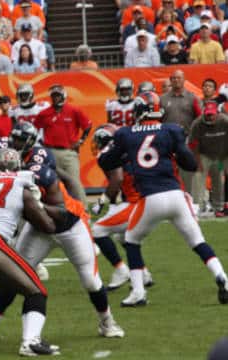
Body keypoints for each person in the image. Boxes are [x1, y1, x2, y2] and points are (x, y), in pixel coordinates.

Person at [98, 91, 228, 306]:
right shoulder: (171, 130)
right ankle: (222, 277)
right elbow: (189, 164)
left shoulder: (126, 134)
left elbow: (108, 162)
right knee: (197, 241)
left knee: (131, 240)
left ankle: (138, 292)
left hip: (150, 198)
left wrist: (122, 153)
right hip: (176, 195)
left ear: (138, 111)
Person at [0, 148, 59, 356]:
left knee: (13, 286)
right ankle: (30, 342)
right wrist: (50, 214)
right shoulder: (21, 180)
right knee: (36, 291)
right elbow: (44, 223)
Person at [90, 124, 154, 290]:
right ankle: (144, 273)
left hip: (137, 203)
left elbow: (117, 179)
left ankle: (121, 269)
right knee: (123, 236)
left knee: (97, 230)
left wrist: (101, 201)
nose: (95, 144)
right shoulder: (129, 148)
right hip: (146, 199)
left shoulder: (108, 154)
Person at [35, 84, 91, 205]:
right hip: (50, 152)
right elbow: (35, 130)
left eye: (58, 96)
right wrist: (42, 144)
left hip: (68, 152)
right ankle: (62, 208)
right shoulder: (44, 113)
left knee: (74, 181)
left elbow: (87, 125)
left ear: (63, 96)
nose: (55, 98)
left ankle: (84, 209)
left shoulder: (73, 110)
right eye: (53, 96)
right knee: (53, 182)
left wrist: (80, 141)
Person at [161, 69, 202, 196]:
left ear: (184, 80)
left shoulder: (193, 97)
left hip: (187, 140)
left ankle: (194, 198)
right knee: (168, 170)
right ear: (170, 80)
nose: (176, 80)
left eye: (179, 78)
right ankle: (172, 197)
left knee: (190, 170)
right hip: (167, 140)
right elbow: (157, 120)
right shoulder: (162, 99)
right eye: (173, 78)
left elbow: (200, 119)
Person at [190, 102, 228, 217]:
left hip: (221, 156)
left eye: (212, 114)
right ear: (204, 113)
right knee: (198, 177)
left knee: (219, 179)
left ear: (217, 113)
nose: (210, 117)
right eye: (207, 115)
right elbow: (193, 143)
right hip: (203, 154)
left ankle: (219, 206)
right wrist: (197, 161)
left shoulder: (225, 121)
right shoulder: (197, 123)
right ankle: (198, 206)